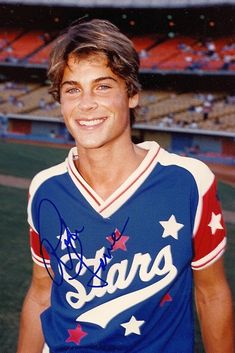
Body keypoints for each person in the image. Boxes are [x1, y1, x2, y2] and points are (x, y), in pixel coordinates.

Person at [17, 19, 234, 353]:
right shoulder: (45, 189)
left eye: (103, 86)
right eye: (73, 89)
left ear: (132, 94)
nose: (86, 103)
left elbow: (212, 293)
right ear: (59, 100)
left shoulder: (188, 180)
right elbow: (41, 293)